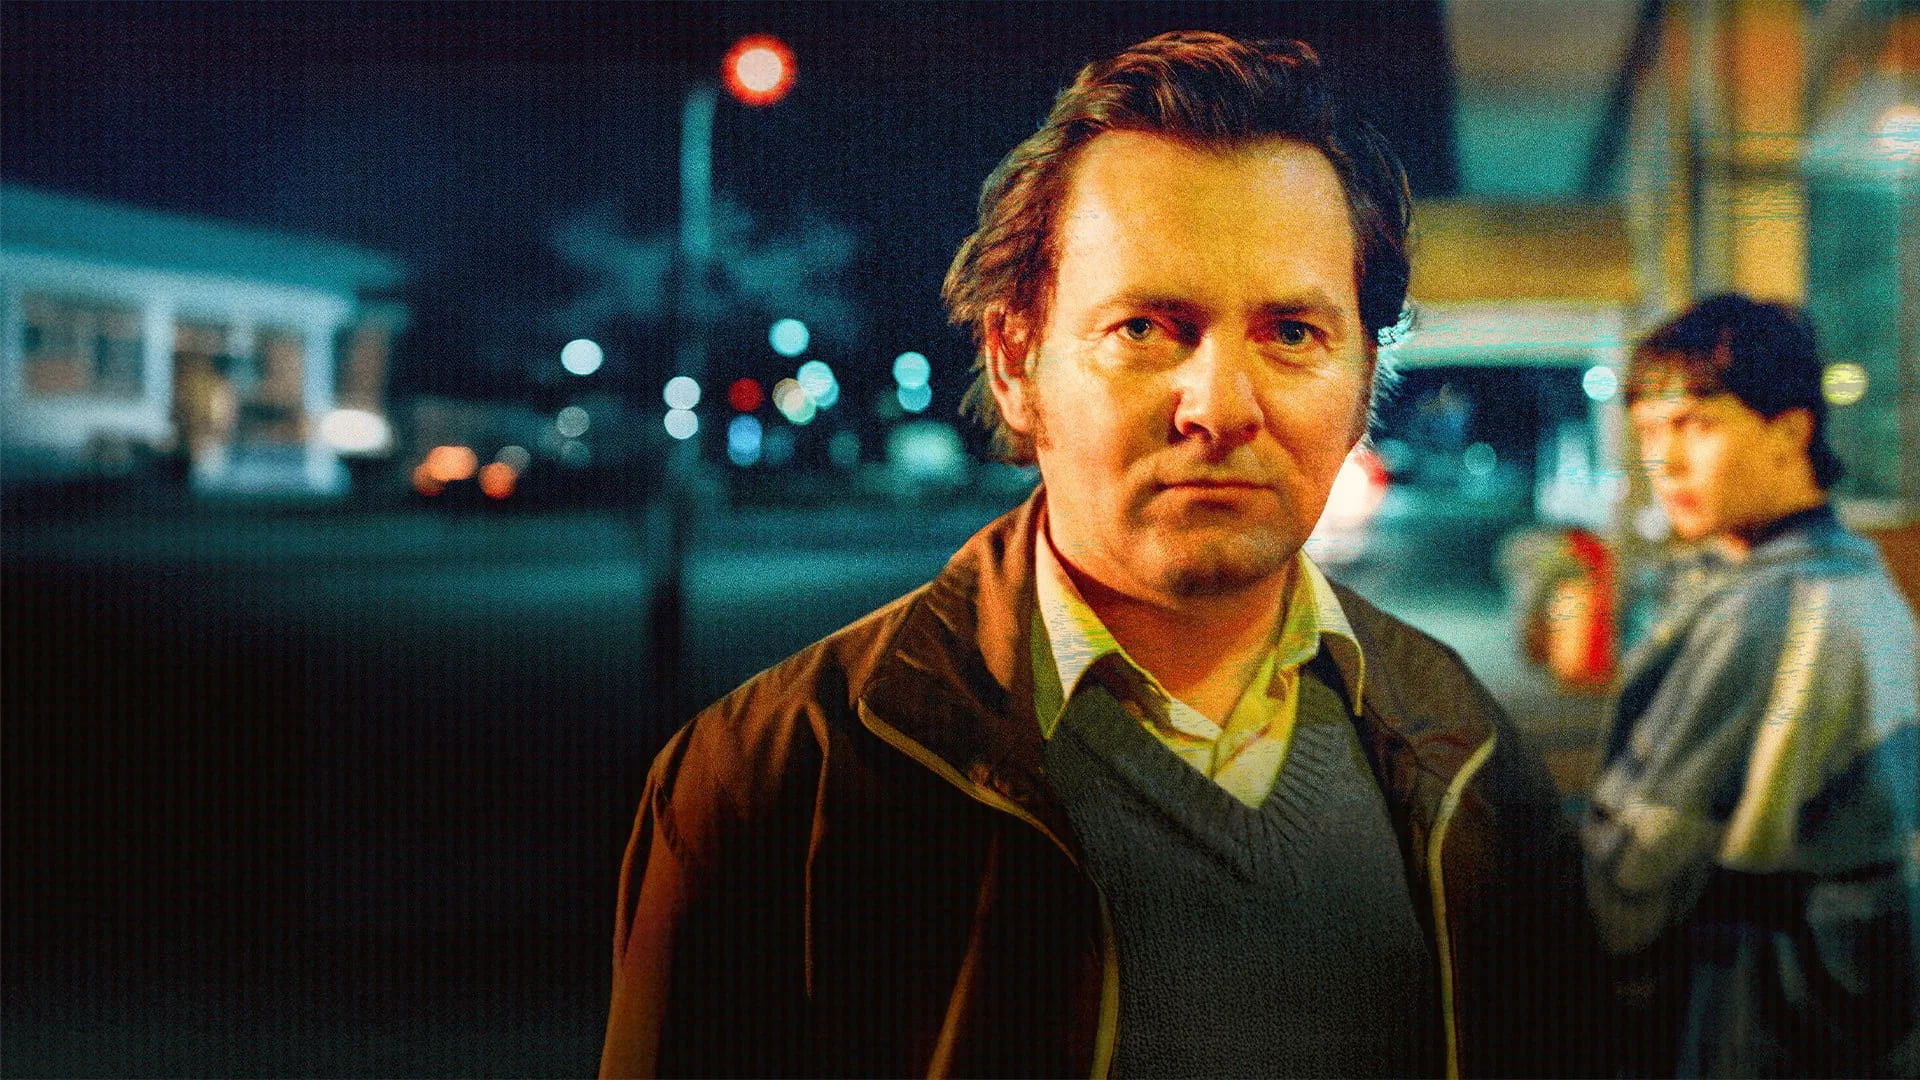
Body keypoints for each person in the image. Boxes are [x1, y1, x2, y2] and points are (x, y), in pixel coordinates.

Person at [602, 31, 1590, 1078]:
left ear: (1362, 386)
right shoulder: (777, 783)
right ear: (1015, 362)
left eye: (1292, 333)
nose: (1220, 406)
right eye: (1147, 329)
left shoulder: (1467, 752)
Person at [1581, 294, 1920, 1077]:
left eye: (1696, 425)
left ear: (1790, 431)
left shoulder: (1773, 611)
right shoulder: (1852, 575)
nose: (1665, 464)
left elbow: (1630, 882)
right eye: (1649, 433)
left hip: (1763, 1030)